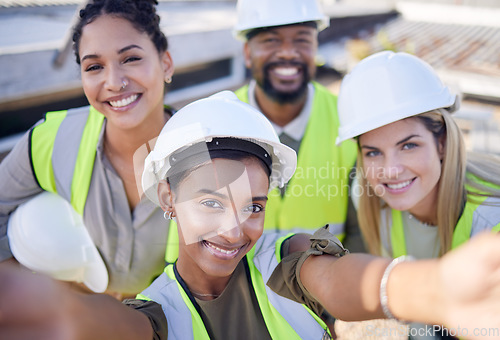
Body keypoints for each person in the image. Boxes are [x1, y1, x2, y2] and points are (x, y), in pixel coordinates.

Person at [2, 91, 500, 340]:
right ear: (169, 199)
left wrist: (432, 289)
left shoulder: (282, 258)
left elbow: (340, 280)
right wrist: (61, 311)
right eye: (210, 203)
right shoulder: (156, 312)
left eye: (253, 206)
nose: (235, 229)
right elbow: (116, 326)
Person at [0, 0, 175, 298]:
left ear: (166, 64)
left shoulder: (207, 155)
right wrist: (38, 294)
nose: (114, 82)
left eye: (131, 59)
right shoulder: (50, 140)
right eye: (94, 66)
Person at [336, 50, 500, 339]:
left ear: (441, 143)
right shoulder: (366, 196)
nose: (390, 170)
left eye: (409, 146)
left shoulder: (492, 219)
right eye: (373, 152)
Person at [230, 0, 360, 248]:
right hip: (236, 287)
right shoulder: (217, 123)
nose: (288, 52)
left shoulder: (349, 120)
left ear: (315, 48)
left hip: (326, 284)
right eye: (271, 40)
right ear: (247, 53)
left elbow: (362, 233)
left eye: (301, 40)